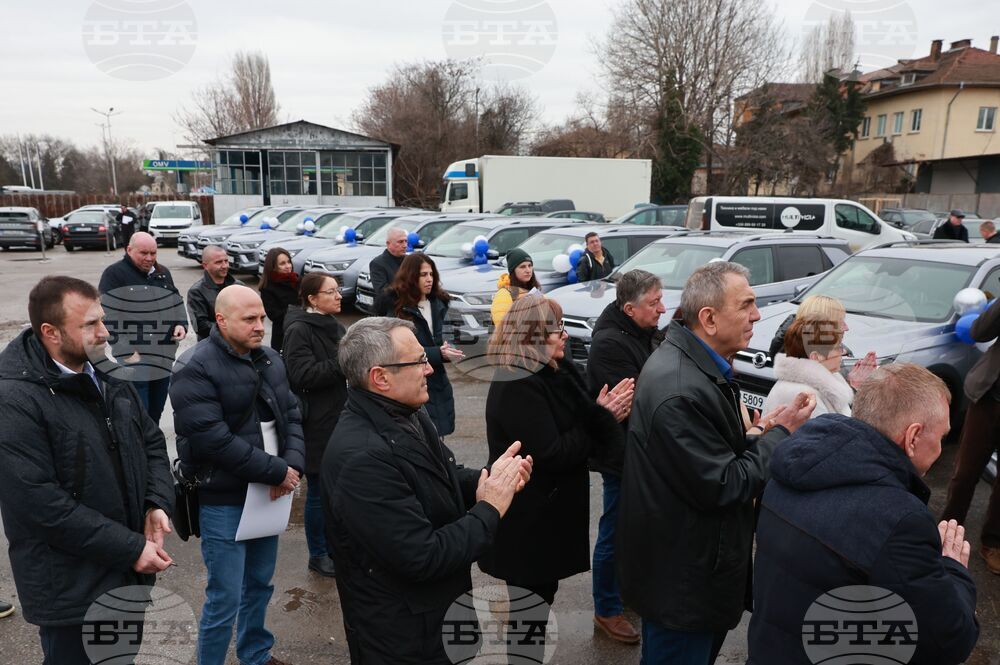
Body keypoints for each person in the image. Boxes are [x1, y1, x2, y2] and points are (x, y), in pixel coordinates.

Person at [618, 261, 815, 665]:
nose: (757, 316)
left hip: (692, 571)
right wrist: (781, 435)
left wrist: (758, 435)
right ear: (708, 318)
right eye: (746, 305)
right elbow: (725, 482)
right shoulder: (680, 390)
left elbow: (707, 456)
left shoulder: (697, 368)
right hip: (684, 587)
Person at [321, 317, 532, 664]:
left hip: (439, 620)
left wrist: (492, 478)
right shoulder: (361, 459)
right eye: (418, 361)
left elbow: (441, 478)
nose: (429, 369)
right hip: (404, 641)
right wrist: (489, 507)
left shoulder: (407, 413)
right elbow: (422, 556)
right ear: (380, 377)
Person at [748, 364, 979, 665]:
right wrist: (953, 571)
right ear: (912, 438)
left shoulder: (790, 466)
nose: (941, 448)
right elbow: (948, 640)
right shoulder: (899, 520)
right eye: (942, 437)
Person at [0, 276, 174, 665]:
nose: (105, 332)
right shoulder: (14, 400)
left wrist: (156, 502)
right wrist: (131, 549)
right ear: (50, 332)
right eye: (90, 324)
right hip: (72, 591)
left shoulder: (107, 374)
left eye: (102, 319)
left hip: (126, 575)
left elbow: (150, 442)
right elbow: (40, 504)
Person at [483, 295, 634, 662]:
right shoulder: (518, 382)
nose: (565, 336)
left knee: (539, 600)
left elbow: (577, 422)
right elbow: (551, 452)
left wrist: (597, 413)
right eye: (557, 328)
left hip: (546, 515)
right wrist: (602, 417)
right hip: (528, 522)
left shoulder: (552, 370)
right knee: (529, 610)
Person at [171, 284, 305, 665]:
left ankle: (255, 653)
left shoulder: (271, 360)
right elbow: (213, 440)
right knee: (224, 596)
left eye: (261, 317)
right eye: (249, 319)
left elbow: (292, 416)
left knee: (260, 585)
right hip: (225, 499)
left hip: (271, 494)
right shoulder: (194, 366)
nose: (259, 325)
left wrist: (293, 464)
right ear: (221, 319)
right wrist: (278, 470)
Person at [585, 269, 665, 644]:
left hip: (645, 452)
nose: (661, 309)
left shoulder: (642, 332)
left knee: (639, 530)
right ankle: (607, 608)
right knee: (615, 532)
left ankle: (626, 593)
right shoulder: (609, 344)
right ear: (629, 308)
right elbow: (638, 400)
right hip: (622, 454)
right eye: (654, 303)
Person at [281, 272, 347, 578]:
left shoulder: (333, 325)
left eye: (337, 290)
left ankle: (335, 547)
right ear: (312, 299)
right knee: (319, 491)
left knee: (338, 490)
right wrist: (343, 363)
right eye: (331, 292)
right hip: (316, 422)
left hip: (339, 416)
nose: (338, 296)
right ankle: (318, 553)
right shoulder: (299, 329)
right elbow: (302, 375)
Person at [98, 232, 188, 425]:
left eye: (153, 253)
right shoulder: (114, 275)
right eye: (144, 253)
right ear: (129, 250)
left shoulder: (162, 273)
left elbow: (176, 303)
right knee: (139, 412)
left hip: (163, 355)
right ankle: (140, 451)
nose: (149, 258)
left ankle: (152, 448)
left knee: (156, 410)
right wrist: (126, 351)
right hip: (136, 358)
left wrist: (181, 324)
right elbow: (108, 318)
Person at [942, 297, 1000, 574]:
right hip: (989, 399)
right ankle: (947, 533)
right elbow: (979, 332)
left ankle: (993, 543)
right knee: (964, 473)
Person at [385, 254, 465, 437]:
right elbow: (398, 350)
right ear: (410, 276)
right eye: (423, 275)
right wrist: (438, 353)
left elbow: (449, 334)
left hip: (438, 382)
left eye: (431, 274)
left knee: (439, 439)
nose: (429, 279)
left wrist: (451, 346)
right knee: (419, 437)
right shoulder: (397, 308)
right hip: (410, 382)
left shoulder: (439, 303)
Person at [764, 317, 854, 417]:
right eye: (838, 347)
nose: (844, 352)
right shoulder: (804, 397)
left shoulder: (822, 385)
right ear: (815, 357)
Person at [187, 244, 243, 341]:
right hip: (211, 345)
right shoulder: (196, 292)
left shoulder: (239, 286)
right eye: (218, 262)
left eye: (226, 261)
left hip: (238, 344)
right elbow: (201, 326)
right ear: (205, 265)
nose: (224, 266)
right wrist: (232, 328)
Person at [259, 247, 299, 353]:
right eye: (282, 263)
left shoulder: (297, 280)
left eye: (288, 262)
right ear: (273, 267)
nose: (288, 266)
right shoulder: (267, 287)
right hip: (283, 335)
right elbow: (274, 315)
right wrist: (297, 311)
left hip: (303, 331)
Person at [491, 247, 541, 326]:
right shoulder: (504, 294)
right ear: (513, 271)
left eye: (530, 265)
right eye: (522, 267)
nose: (528, 270)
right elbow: (502, 327)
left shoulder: (534, 290)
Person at [371, 227, 408, 315]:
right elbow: (383, 292)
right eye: (400, 242)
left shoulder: (408, 260)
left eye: (406, 241)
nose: (405, 245)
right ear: (388, 244)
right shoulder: (378, 263)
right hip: (391, 312)